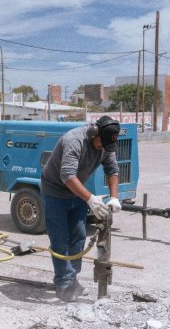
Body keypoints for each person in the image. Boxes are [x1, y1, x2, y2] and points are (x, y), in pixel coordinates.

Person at [40, 115, 122, 302]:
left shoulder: (106, 143)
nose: (102, 149)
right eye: (101, 144)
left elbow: (112, 170)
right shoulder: (74, 140)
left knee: (77, 237)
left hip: (76, 193)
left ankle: (71, 279)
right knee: (60, 240)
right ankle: (64, 284)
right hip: (54, 192)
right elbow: (67, 175)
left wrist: (115, 198)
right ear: (95, 132)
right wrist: (90, 199)